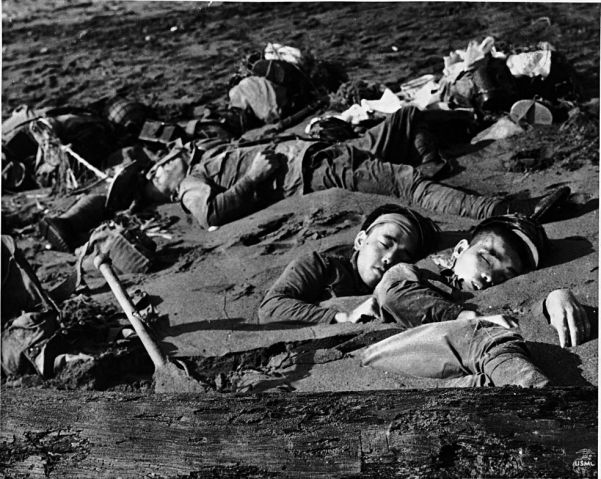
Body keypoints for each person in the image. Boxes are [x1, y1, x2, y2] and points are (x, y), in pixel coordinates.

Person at [39, 107, 569, 252]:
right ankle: (506, 214)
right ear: (159, 184)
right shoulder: (189, 185)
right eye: (157, 168)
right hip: (315, 170)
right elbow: (212, 216)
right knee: (407, 184)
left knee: (406, 137)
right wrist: (250, 178)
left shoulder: (198, 160)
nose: (166, 159)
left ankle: (502, 207)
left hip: (321, 153)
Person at [360, 213, 592, 387]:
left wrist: (554, 297)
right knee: (488, 333)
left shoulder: (492, 298)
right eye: (487, 259)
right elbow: (394, 292)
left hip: (437, 384)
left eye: (506, 275)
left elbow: (520, 311)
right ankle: (554, 411)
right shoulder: (413, 273)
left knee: (486, 384)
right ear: (461, 248)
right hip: (388, 360)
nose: (490, 275)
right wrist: (463, 317)